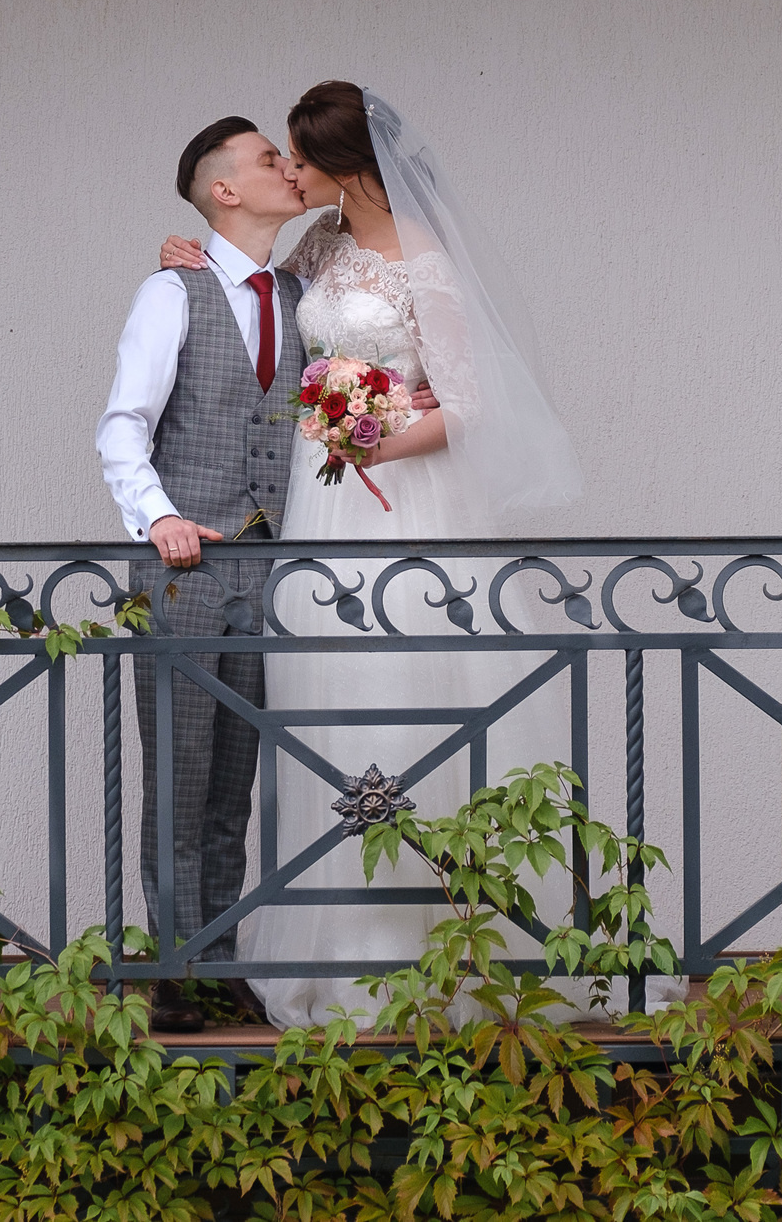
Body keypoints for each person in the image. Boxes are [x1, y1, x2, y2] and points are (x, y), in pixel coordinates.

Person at [155, 81, 586, 1027]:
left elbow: (469, 405)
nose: (288, 170)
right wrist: (184, 256)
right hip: (322, 509)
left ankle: (427, 953)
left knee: (406, 699)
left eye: (298, 157)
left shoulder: (424, 261)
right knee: (324, 704)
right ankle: (334, 942)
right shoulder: (322, 246)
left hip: (401, 504)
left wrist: (374, 439)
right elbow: (260, 293)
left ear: (347, 166)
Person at [95, 115, 310, 1032]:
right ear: (224, 189)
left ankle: (219, 957)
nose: (287, 168)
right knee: (181, 774)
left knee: (238, 779)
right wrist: (159, 516)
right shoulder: (171, 292)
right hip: (186, 571)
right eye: (270, 159)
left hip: (275, 570)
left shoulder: (303, 292)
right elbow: (122, 426)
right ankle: (176, 967)